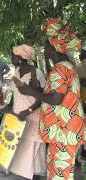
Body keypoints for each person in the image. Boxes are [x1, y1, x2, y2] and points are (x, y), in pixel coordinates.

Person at [18, 18, 84, 180]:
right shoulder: (66, 67)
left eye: (47, 45)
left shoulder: (60, 69)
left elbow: (56, 99)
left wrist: (31, 92)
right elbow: (57, 95)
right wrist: (38, 89)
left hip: (63, 129)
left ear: (54, 49)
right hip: (64, 128)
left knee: (60, 173)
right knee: (57, 171)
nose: (44, 49)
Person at [8, 44, 46, 180]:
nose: (11, 58)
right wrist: (9, 108)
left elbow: (41, 98)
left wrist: (28, 110)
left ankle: (35, 177)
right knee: (21, 148)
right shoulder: (17, 71)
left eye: (13, 56)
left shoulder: (36, 73)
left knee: (33, 153)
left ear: (20, 58)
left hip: (32, 116)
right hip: (18, 116)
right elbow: (14, 94)